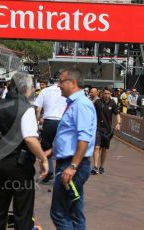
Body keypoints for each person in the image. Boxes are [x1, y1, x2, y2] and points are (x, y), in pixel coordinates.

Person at [0, 72, 48, 230]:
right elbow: (30, 139)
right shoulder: (25, 109)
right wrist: (43, 158)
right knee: (23, 211)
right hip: (19, 164)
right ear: (25, 88)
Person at [49, 67, 96, 229]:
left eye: (61, 81)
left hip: (72, 165)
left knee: (59, 212)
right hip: (70, 163)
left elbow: (84, 138)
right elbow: (70, 137)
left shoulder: (81, 105)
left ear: (73, 83)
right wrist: (51, 151)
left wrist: (73, 166)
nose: (58, 85)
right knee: (75, 213)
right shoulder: (75, 104)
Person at [34, 72, 67, 183]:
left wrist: (38, 120)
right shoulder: (65, 91)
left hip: (48, 121)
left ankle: (49, 172)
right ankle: (60, 172)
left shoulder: (45, 91)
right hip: (62, 122)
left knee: (46, 147)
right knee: (61, 147)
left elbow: (38, 109)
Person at [91, 87, 121, 175]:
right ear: (102, 94)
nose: (106, 95)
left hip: (107, 130)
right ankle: (95, 166)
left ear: (110, 94)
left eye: (108, 93)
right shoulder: (97, 102)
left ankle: (101, 166)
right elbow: (91, 112)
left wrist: (118, 123)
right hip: (97, 128)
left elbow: (117, 114)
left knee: (104, 149)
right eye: (105, 93)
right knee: (96, 147)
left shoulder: (113, 103)